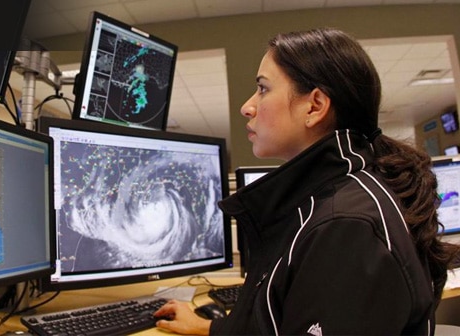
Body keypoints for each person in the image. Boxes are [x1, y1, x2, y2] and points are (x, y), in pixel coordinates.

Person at [153, 27, 460, 335]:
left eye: (263, 89)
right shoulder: (337, 194)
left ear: (314, 107)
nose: (248, 107)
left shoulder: (345, 226)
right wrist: (209, 328)